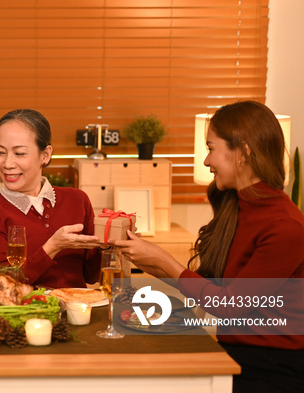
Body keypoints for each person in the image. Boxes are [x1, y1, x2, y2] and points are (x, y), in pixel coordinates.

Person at [112, 101, 304, 393]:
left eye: (211, 148)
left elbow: (231, 306)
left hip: (274, 367)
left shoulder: (285, 225)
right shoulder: (237, 206)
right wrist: (142, 254)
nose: (206, 161)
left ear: (243, 152)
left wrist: (165, 260)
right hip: (235, 353)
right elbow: (208, 287)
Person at [0, 109, 103, 289]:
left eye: (19, 153)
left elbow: (91, 277)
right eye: (0, 152)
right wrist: (52, 247)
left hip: (77, 312)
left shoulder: (77, 200)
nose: (7, 163)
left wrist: (106, 245)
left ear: (45, 155)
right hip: (24, 315)